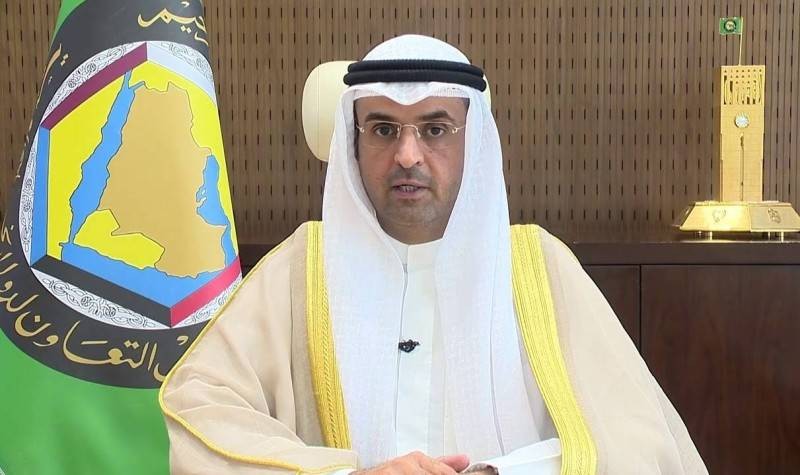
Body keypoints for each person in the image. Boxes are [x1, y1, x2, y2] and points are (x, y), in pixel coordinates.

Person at [160, 34, 707, 474]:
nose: (407, 154)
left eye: (435, 129)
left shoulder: (537, 267)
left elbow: (635, 437)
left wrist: (498, 472)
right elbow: (200, 406)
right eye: (382, 129)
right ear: (353, 144)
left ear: (474, 140)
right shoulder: (304, 267)